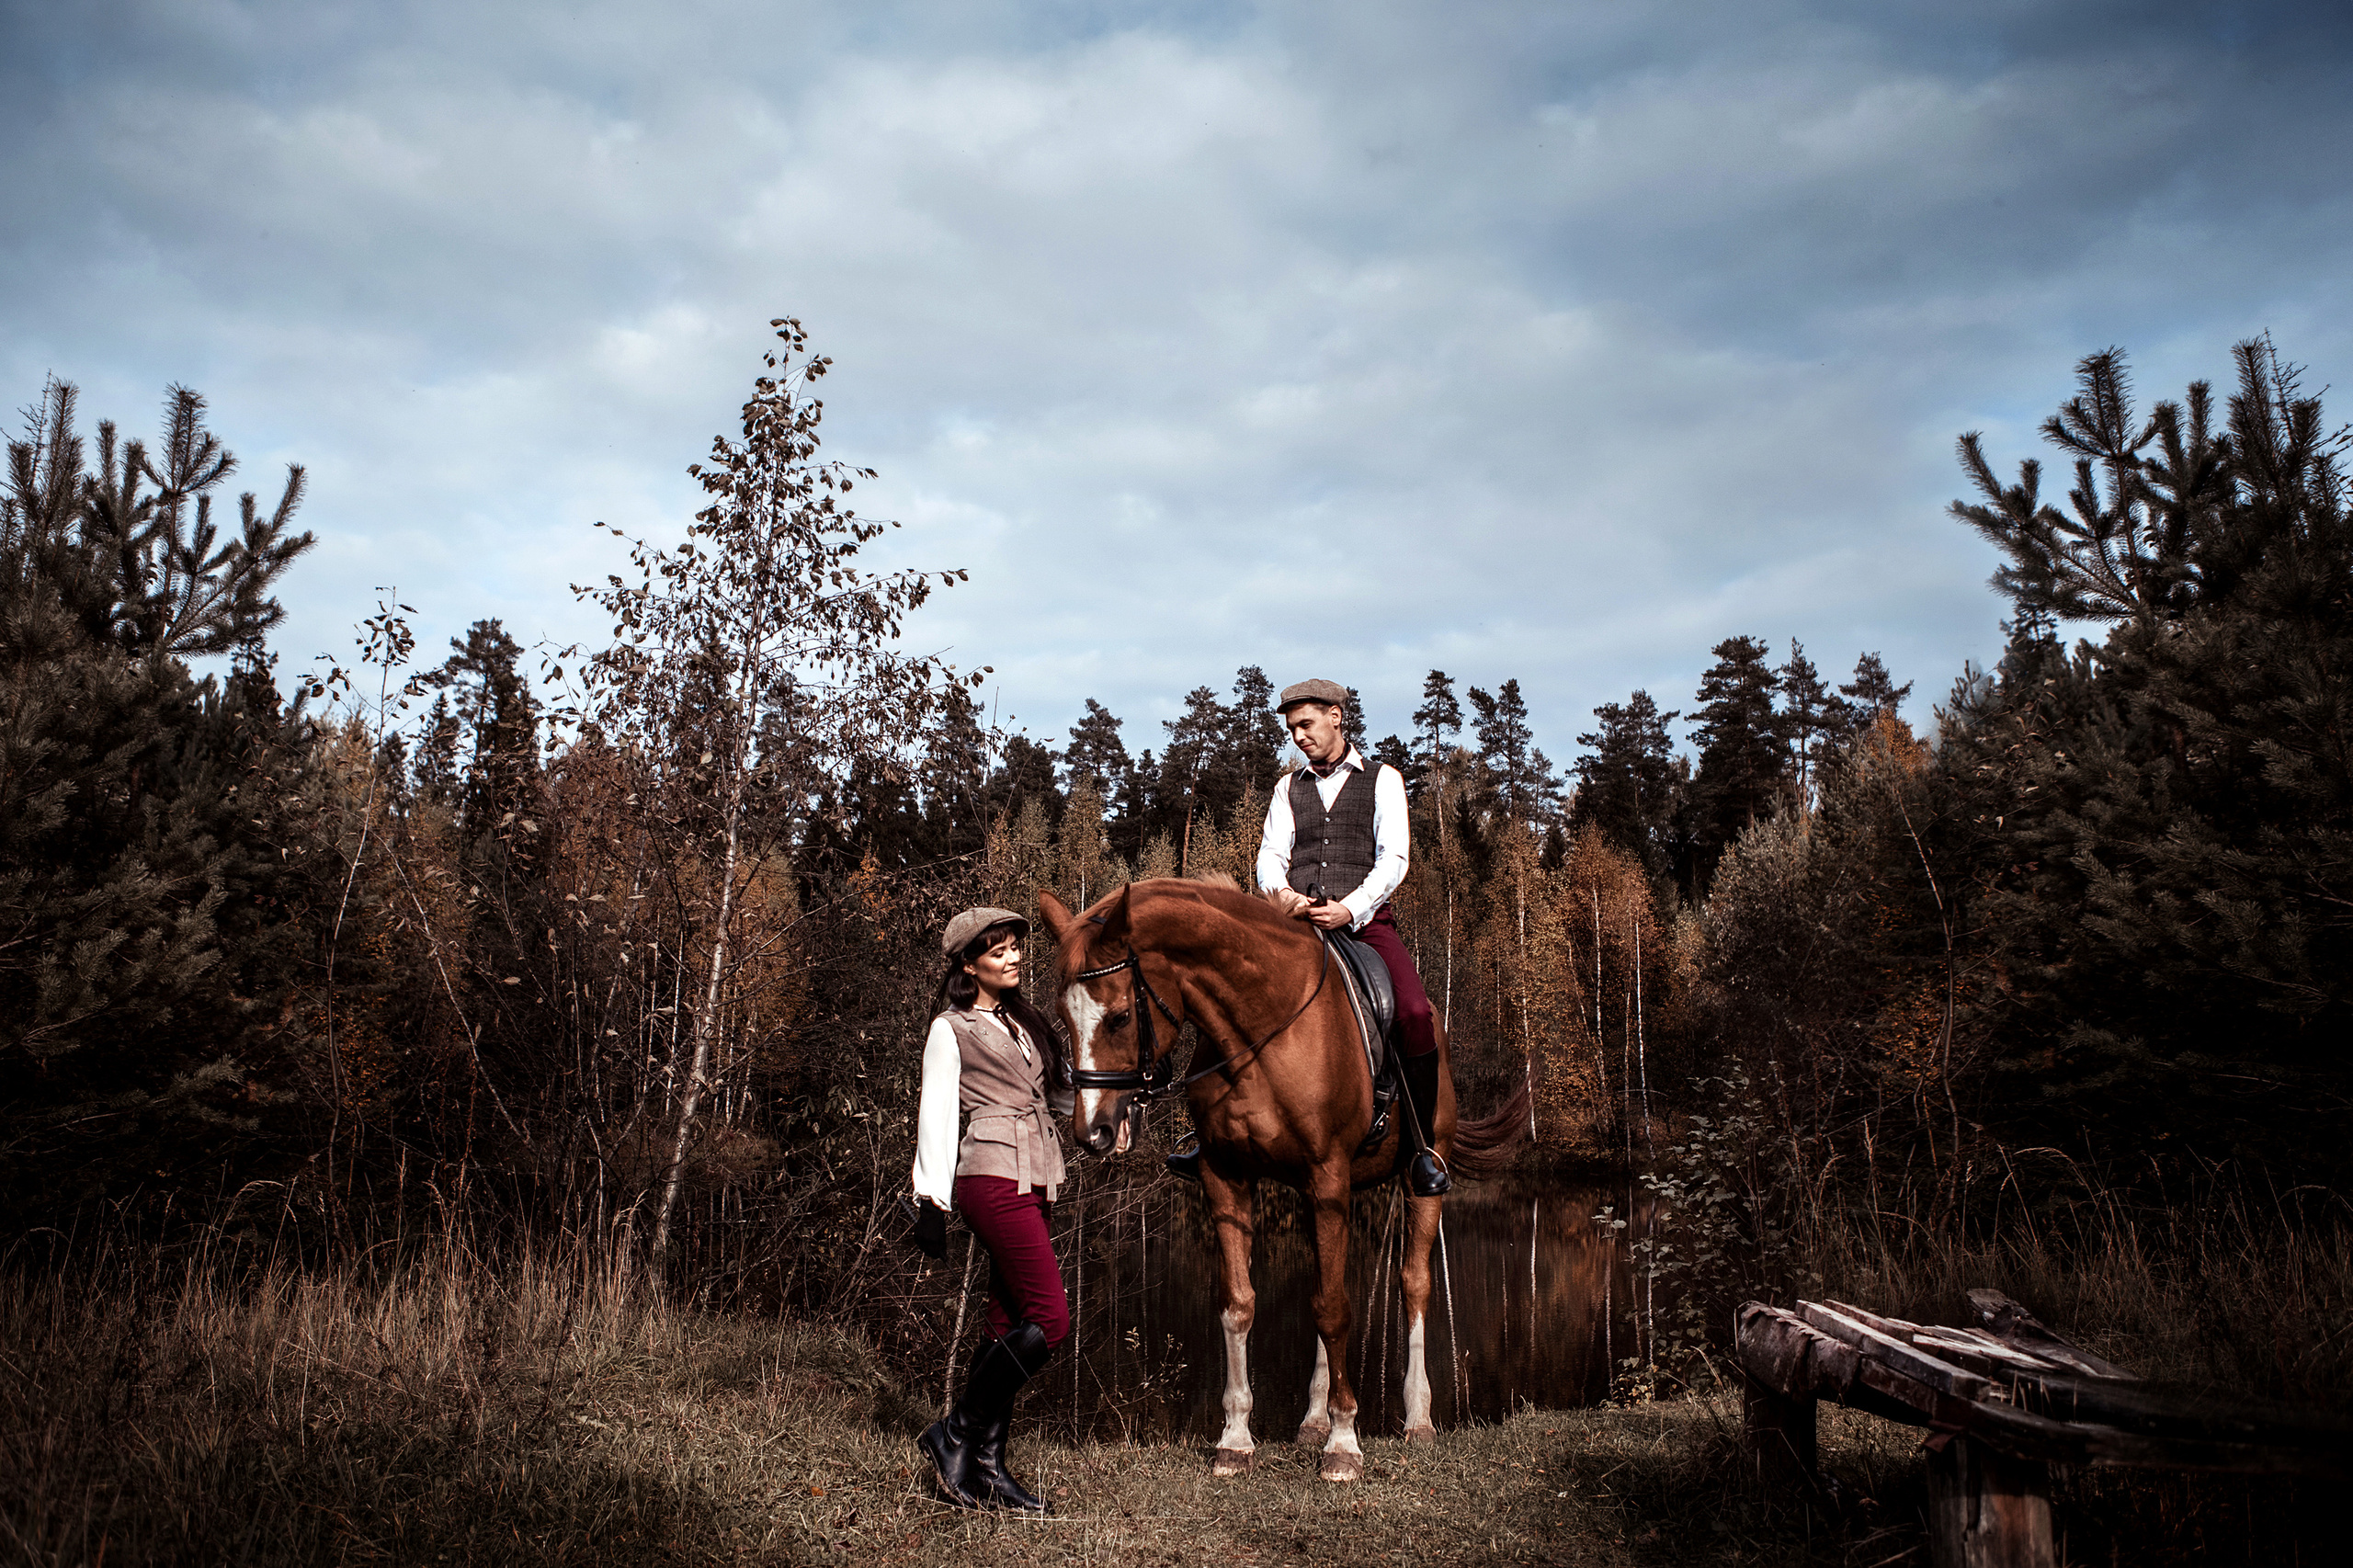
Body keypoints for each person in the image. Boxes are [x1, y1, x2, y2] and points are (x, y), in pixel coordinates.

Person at [1169, 677, 1450, 1196]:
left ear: (1335, 717)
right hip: (1293, 927)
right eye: (1291, 729)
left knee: (1413, 1013)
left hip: (1365, 926)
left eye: (1306, 724)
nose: (1298, 736)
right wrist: (1282, 896)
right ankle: (1206, 1133)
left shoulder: (1384, 778)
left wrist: (1349, 908)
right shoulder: (1287, 786)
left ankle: (1422, 1147)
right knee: (1223, 1001)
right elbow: (1269, 858)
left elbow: (1395, 858)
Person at [906, 907, 1072, 1514]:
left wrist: (1115, 1100)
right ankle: (955, 1432)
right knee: (1051, 1319)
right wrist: (931, 1198)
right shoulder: (951, 1029)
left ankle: (985, 1468)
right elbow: (937, 1112)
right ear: (968, 963)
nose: (1014, 958)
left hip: (1038, 1173)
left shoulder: (1026, 1023)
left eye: (1015, 948)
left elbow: (1057, 1099)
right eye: (999, 950)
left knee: (1006, 1323)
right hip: (990, 1175)